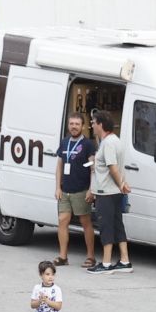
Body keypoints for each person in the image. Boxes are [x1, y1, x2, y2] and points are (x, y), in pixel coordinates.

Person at [88, 108, 132, 272]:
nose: (92, 125)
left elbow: (112, 167)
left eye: (93, 123)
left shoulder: (108, 143)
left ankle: (106, 263)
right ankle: (124, 260)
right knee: (118, 225)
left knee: (105, 225)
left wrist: (121, 183)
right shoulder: (116, 140)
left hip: (106, 192)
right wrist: (121, 185)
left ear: (101, 124)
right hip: (115, 192)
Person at [53, 110, 96, 268]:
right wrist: (58, 187)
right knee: (62, 221)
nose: (74, 127)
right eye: (71, 124)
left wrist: (91, 189)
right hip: (65, 191)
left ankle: (90, 257)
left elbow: (93, 168)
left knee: (85, 222)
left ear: (83, 126)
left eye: (77, 124)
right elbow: (59, 166)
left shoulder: (88, 145)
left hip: (81, 190)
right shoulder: (64, 143)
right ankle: (63, 256)